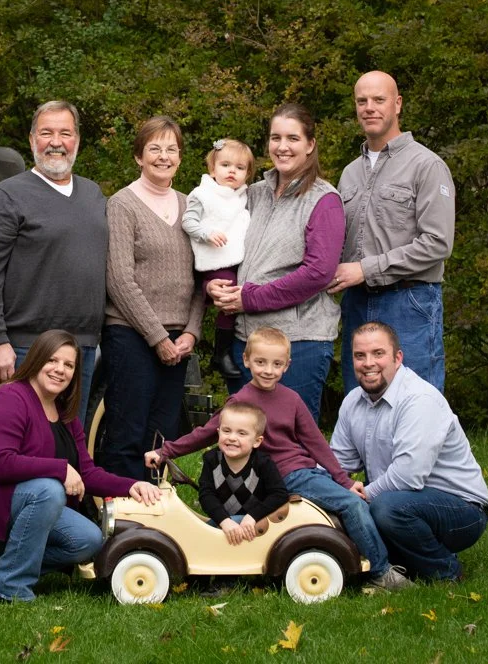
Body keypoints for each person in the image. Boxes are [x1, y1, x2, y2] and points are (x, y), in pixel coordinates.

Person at [146, 327, 410, 589]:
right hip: (284, 476)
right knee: (352, 505)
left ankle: (359, 557)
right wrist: (165, 451)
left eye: (276, 364)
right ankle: (381, 571)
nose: (268, 370)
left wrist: (343, 480)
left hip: (307, 471)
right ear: (247, 360)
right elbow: (206, 434)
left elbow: (315, 443)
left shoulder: (292, 400)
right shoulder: (241, 402)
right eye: (260, 362)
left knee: (345, 501)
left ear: (287, 366)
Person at [0, 329, 161, 602]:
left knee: (88, 540)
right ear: (36, 360)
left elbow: (87, 473)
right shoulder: (9, 399)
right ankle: (11, 587)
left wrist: (133, 485)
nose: (60, 370)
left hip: (28, 503)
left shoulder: (65, 412)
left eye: (68, 365)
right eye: (52, 361)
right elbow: (1, 464)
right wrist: (61, 469)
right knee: (50, 489)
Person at [0, 100, 109, 422]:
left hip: (82, 348)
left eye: (65, 133)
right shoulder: (7, 197)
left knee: (69, 439)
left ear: (77, 141)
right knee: (26, 442)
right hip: (27, 348)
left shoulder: (93, 195)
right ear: (32, 140)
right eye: (46, 133)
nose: (56, 142)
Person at [208, 104, 345, 421]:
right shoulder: (251, 194)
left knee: (290, 446)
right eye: (275, 137)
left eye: (293, 138)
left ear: (310, 145)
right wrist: (215, 283)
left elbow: (318, 273)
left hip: (297, 345)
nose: (283, 147)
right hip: (247, 342)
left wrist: (249, 297)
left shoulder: (324, 200)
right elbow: (221, 245)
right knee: (246, 442)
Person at [331, 322, 488, 582]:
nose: (368, 363)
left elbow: (408, 477)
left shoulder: (419, 399)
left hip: (462, 510)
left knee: (385, 508)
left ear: (397, 358)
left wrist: (359, 498)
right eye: (359, 355)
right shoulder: (353, 401)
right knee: (353, 509)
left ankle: (445, 573)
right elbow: (337, 464)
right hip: (403, 500)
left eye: (378, 353)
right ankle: (401, 564)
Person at [96, 116, 206, 480]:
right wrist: (158, 337)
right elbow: (119, 280)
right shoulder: (122, 205)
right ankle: (122, 518)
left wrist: (191, 331)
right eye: (154, 148)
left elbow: (203, 274)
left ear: (180, 157)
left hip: (179, 340)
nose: (164, 156)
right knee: (127, 433)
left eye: (171, 149)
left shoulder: (191, 206)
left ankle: (157, 520)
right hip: (131, 335)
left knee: (161, 437)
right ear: (138, 157)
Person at [331, 71, 455, 392]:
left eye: (379, 100)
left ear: (397, 104)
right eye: (362, 101)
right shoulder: (349, 174)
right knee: (359, 404)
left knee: (416, 405)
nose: (369, 107)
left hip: (409, 301)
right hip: (357, 302)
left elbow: (437, 243)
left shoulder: (426, 165)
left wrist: (365, 269)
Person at [148, 400, 286, 545]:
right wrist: (224, 521)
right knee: (201, 530)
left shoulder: (263, 463)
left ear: (257, 441)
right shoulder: (212, 459)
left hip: (255, 527)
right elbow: (206, 495)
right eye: (227, 431)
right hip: (223, 521)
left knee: (203, 539)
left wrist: (252, 516)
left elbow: (279, 494)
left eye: (242, 433)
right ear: (218, 432)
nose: (232, 437)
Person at [182, 137, 255, 379]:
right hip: (215, 259)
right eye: (225, 165)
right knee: (228, 297)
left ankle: (225, 349)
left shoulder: (242, 197)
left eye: (240, 167)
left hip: (236, 259)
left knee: (236, 299)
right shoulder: (203, 194)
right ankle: (220, 352)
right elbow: (188, 222)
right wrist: (207, 233)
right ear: (213, 169)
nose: (232, 171)